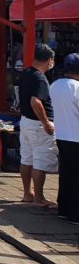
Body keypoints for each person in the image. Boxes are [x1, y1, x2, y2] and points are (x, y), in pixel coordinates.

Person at [18, 43, 59, 210]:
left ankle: (27, 193)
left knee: (27, 158)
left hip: (26, 121)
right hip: (38, 124)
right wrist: (46, 122)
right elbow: (36, 101)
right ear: (49, 60)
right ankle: (39, 198)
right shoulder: (40, 78)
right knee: (40, 160)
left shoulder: (26, 73)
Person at [49, 53, 79, 224]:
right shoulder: (76, 87)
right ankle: (75, 214)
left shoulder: (55, 85)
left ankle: (63, 208)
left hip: (62, 135)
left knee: (66, 173)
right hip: (77, 136)